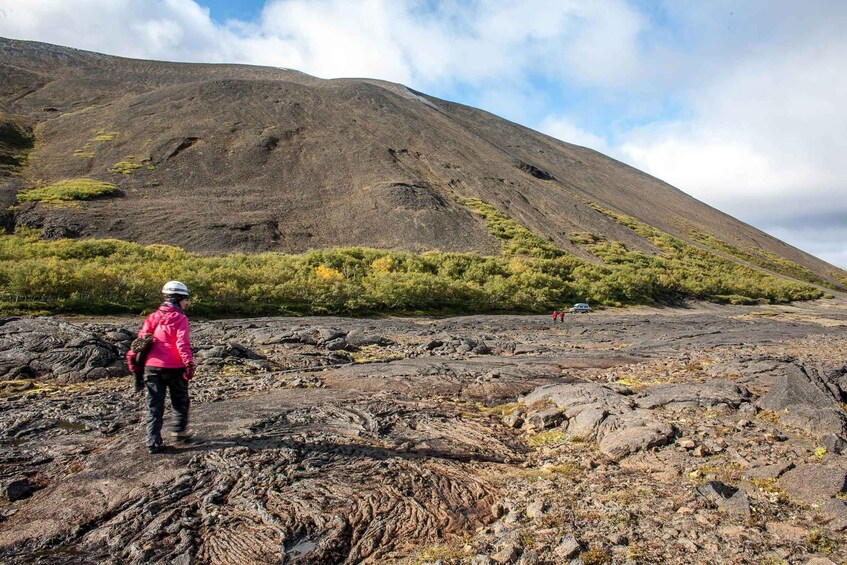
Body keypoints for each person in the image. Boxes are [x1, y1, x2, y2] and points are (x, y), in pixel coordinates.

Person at [127, 281, 195, 453]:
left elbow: (140, 342)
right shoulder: (180, 318)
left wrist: (132, 360)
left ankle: (153, 442)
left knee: (154, 405)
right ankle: (179, 432)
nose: (187, 302)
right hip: (175, 367)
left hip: (152, 368)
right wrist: (189, 364)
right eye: (186, 299)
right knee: (180, 401)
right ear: (179, 298)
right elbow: (182, 343)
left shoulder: (153, 317)